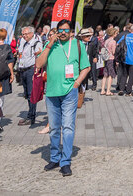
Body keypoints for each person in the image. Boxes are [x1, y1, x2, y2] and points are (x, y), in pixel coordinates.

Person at [36, 21, 90, 176]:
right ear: (57, 31)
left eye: (66, 30)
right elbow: (39, 64)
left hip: (69, 92)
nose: (63, 33)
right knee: (53, 128)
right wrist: (49, 44)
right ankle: (54, 157)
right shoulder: (51, 45)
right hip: (52, 93)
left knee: (67, 127)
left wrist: (77, 83)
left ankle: (65, 161)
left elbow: (86, 67)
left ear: (71, 31)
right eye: (61, 30)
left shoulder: (78, 45)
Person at [15, 26, 42, 126]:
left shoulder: (36, 43)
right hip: (23, 70)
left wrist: (36, 72)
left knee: (31, 94)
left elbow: (39, 57)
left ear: (31, 33)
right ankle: (30, 114)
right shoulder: (24, 42)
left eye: (26, 34)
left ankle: (31, 117)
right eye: (23, 34)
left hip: (31, 69)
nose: (24, 36)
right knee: (26, 94)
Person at [99, 27, 117, 96]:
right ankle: (108, 91)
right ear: (113, 34)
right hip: (111, 59)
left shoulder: (106, 41)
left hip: (106, 59)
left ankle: (102, 90)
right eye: (115, 33)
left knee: (105, 75)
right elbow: (113, 52)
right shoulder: (113, 41)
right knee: (110, 75)